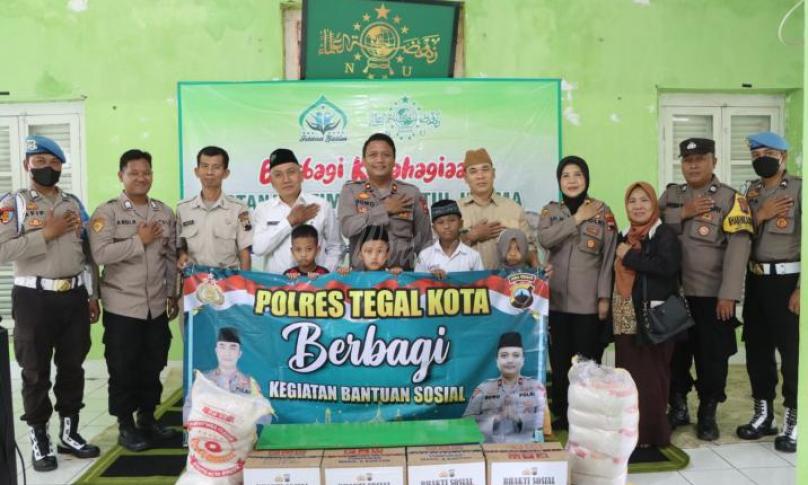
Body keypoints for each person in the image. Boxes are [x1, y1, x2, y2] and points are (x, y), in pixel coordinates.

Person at [0, 135, 100, 471]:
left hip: (73, 297)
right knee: (35, 371)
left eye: (54, 162)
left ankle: (69, 433)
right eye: (40, 161)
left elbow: (87, 254)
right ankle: (39, 438)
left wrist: (92, 294)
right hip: (34, 299)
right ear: (27, 165)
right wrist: (45, 234)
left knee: (73, 367)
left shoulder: (73, 204)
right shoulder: (14, 203)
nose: (48, 167)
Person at [659, 138, 752, 441]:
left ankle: (707, 412)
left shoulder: (730, 199)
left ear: (714, 161)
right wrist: (682, 213)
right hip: (674, 294)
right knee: (674, 356)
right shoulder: (672, 195)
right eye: (688, 160)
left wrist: (729, 294)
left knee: (712, 359)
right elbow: (648, 222)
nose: (694, 165)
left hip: (712, 296)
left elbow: (738, 249)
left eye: (700, 159)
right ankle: (678, 407)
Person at [89, 149, 179, 452]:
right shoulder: (107, 212)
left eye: (146, 172)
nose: (141, 178)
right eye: (134, 173)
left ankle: (148, 418)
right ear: (121, 176)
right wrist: (137, 241)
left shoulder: (163, 212)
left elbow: (170, 256)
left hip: (156, 305)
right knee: (123, 367)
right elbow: (99, 255)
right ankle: (125, 425)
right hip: (122, 306)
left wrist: (172, 292)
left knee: (153, 364)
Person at [538, 155, 617, 430]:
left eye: (577, 175)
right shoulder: (550, 212)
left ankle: (586, 413)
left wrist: (604, 297)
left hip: (588, 303)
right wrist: (577, 218)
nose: (572, 180)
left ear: (586, 179)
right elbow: (545, 239)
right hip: (556, 302)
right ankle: (561, 411)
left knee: (586, 362)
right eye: (566, 176)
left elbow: (608, 258)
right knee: (560, 362)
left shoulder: (603, 211)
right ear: (559, 181)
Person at [735, 132, 800, 453]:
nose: (761, 158)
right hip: (756, 281)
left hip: (789, 283)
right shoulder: (751, 192)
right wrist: (760, 214)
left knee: (792, 354)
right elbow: (739, 233)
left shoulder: (799, 189)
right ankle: (763, 414)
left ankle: (794, 418)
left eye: (768, 154)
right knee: (757, 350)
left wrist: (802, 289)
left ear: (783, 157)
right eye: (756, 154)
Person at [613, 182, 682, 447]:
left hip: (653, 318)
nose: (638, 206)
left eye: (644, 200)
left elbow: (667, 267)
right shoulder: (623, 235)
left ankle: (653, 435)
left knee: (652, 378)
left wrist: (629, 257)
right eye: (632, 201)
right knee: (628, 377)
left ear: (654, 204)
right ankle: (630, 434)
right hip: (625, 316)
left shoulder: (663, 234)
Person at [338, 133, 432, 270]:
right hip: (362, 278)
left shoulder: (411, 194)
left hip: (402, 277)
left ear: (394, 160)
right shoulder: (351, 191)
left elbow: (425, 243)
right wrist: (384, 209)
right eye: (373, 155)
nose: (380, 160)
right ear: (364, 161)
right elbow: (347, 228)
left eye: (386, 155)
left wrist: (430, 272)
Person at [253, 148, 343, 273]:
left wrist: (324, 274)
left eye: (291, 172)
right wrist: (289, 222)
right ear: (272, 182)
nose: (286, 179)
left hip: (315, 283)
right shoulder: (263, 209)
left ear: (301, 175)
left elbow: (336, 247)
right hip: (276, 283)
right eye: (278, 175)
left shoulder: (322, 205)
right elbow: (259, 249)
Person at [458, 148, 539, 270]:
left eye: (485, 169)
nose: (480, 176)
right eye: (473, 171)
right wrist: (470, 236)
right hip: (465, 281)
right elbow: (442, 250)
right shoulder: (455, 211)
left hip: (506, 280)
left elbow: (529, 249)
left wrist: (538, 267)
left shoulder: (514, 209)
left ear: (493, 173)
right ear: (465, 177)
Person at [176, 146, 253, 270]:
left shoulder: (239, 209)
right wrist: (182, 255)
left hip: (227, 279)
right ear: (197, 171)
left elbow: (245, 253)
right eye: (205, 166)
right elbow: (180, 247)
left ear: (226, 173)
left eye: (216, 167)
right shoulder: (183, 209)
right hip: (194, 279)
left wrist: (244, 280)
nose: (209, 172)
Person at [463, 332, 545, 443]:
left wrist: (518, 419)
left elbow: (542, 423)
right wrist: (496, 419)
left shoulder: (535, 387)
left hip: (525, 449)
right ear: (497, 361)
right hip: (490, 449)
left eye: (516, 355)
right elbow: (466, 423)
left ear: (523, 360)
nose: (510, 360)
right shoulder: (483, 389)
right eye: (504, 355)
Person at [182, 327, 273, 426]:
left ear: (239, 353)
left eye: (233, 347)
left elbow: (266, 417)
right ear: (216, 350)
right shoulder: (203, 380)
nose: (227, 353)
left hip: (239, 434)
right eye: (222, 346)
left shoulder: (249, 383)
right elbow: (188, 410)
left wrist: (244, 413)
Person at [414, 199, 484, 278]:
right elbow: (417, 283)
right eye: (440, 222)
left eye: (452, 220)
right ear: (434, 228)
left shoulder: (473, 256)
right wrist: (431, 277)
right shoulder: (425, 255)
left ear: (461, 223)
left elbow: (481, 283)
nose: (446, 226)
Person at [336, 225, 402, 275]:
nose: (374, 257)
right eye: (369, 251)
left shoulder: (392, 275)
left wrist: (398, 275)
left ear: (387, 254)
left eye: (379, 251)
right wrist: (343, 273)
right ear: (360, 254)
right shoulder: (352, 275)